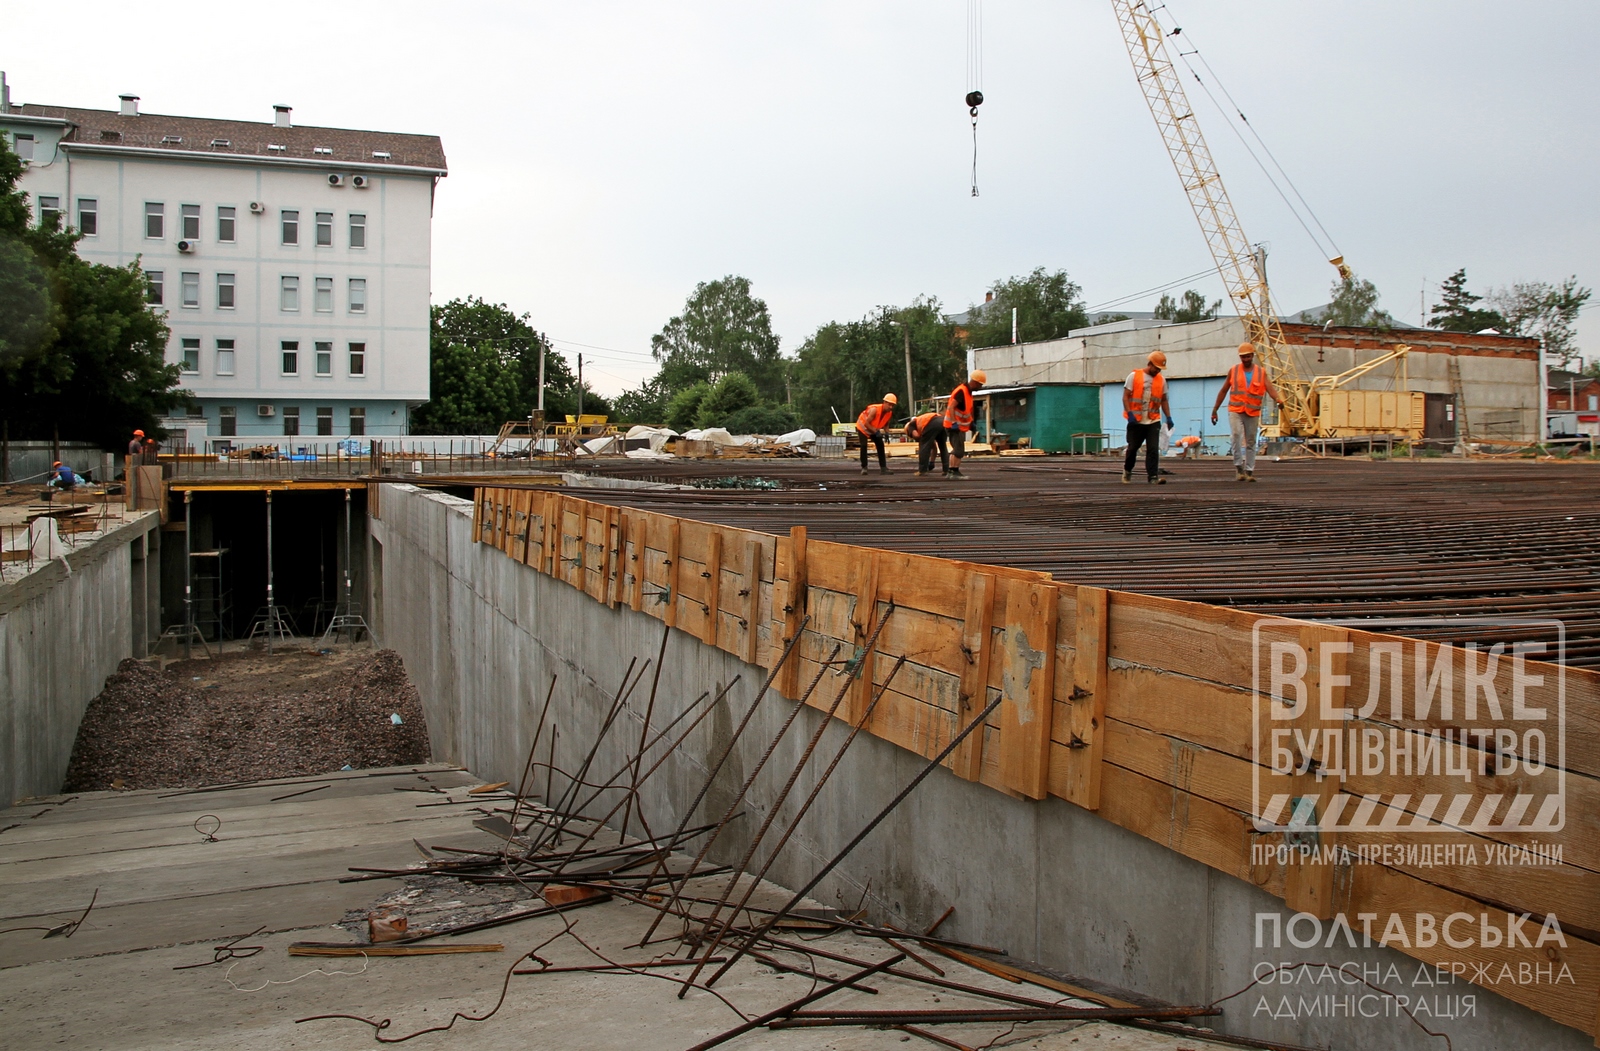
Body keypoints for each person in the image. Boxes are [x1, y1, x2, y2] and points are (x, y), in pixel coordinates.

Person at [1210, 341, 1285, 482]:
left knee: (1250, 441)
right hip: (1236, 410)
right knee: (1236, 436)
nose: (1245, 359)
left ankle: (1249, 471)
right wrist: (1215, 409)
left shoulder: (1260, 372)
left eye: (1248, 356)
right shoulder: (1234, 370)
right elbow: (1224, 390)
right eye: (1243, 357)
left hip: (1252, 411)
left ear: (1252, 356)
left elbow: (1270, 389)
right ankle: (1239, 467)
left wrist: (1279, 400)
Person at [1122, 351, 1173, 484]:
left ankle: (1153, 477)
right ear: (1149, 364)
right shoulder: (1134, 376)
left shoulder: (1161, 380)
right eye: (1156, 368)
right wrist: (1130, 413)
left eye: (1160, 369)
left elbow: (1164, 400)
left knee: (1153, 449)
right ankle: (1127, 471)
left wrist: (1168, 417)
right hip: (1137, 420)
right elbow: (1125, 397)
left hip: (1153, 420)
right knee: (1132, 448)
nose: (1157, 371)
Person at [943, 370, 985, 480]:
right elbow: (952, 407)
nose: (980, 387)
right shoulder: (962, 391)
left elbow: (965, 411)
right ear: (975, 382)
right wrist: (953, 422)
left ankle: (952, 471)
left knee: (958, 449)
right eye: (980, 385)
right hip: (953, 426)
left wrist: (970, 422)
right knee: (958, 450)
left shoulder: (967, 392)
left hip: (959, 426)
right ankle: (953, 472)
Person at [855, 392, 899, 474]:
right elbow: (867, 423)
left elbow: (886, 423)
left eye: (893, 405)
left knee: (880, 444)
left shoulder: (889, 413)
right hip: (863, 428)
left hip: (872, 429)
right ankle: (864, 468)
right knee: (863, 445)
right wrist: (876, 432)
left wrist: (887, 433)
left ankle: (883, 468)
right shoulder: (874, 410)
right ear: (885, 402)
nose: (891, 407)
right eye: (889, 404)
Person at [904, 411, 950, 476]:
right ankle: (946, 470)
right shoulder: (921, 422)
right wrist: (932, 462)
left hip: (933, 422)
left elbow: (916, 436)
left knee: (923, 446)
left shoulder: (910, 426)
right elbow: (934, 447)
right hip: (943, 421)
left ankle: (922, 470)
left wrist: (921, 441)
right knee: (943, 446)